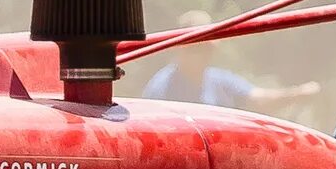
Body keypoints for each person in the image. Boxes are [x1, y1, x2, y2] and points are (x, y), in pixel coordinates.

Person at [134, 10, 320, 112]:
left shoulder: (219, 81)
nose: (204, 54)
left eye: (208, 48)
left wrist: (297, 94)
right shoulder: (160, 90)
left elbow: (259, 99)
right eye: (197, 47)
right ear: (180, 48)